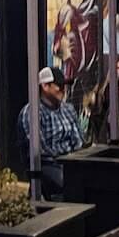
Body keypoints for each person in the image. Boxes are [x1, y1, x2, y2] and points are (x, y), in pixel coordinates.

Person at [18, 66, 84, 196]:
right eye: (59, 86)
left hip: (73, 161)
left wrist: (76, 158)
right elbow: (40, 150)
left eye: (64, 85)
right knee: (69, 183)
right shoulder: (32, 112)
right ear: (45, 86)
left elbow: (79, 140)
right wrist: (64, 159)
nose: (63, 90)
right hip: (48, 164)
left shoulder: (68, 109)